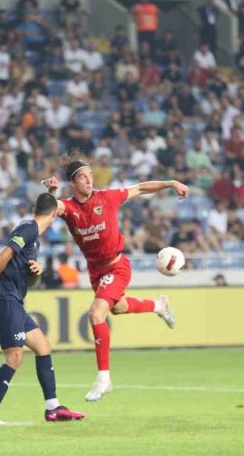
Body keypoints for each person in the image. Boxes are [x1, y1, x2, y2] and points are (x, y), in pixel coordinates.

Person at [42, 150, 188, 402]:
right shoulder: (69, 207)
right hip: (96, 272)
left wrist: (170, 182)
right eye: (84, 177)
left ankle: (104, 378)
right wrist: (52, 193)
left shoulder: (107, 197)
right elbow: (46, 212)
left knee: (96, 313)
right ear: (73, 183)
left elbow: (140, 189)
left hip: (117, 266)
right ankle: (158, 305)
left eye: (90, 175)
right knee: (118, 307)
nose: (90, 180)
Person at [0, 194, 85, 425]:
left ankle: (53, 407)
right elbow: (2, 258)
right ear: (55, 215)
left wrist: (33, 273)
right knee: (15, 355)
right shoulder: (29, 229)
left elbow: (24, 277)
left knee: (42, 346)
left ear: (34, 209)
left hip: (13, 299)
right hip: (4, 299)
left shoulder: (31, 232)